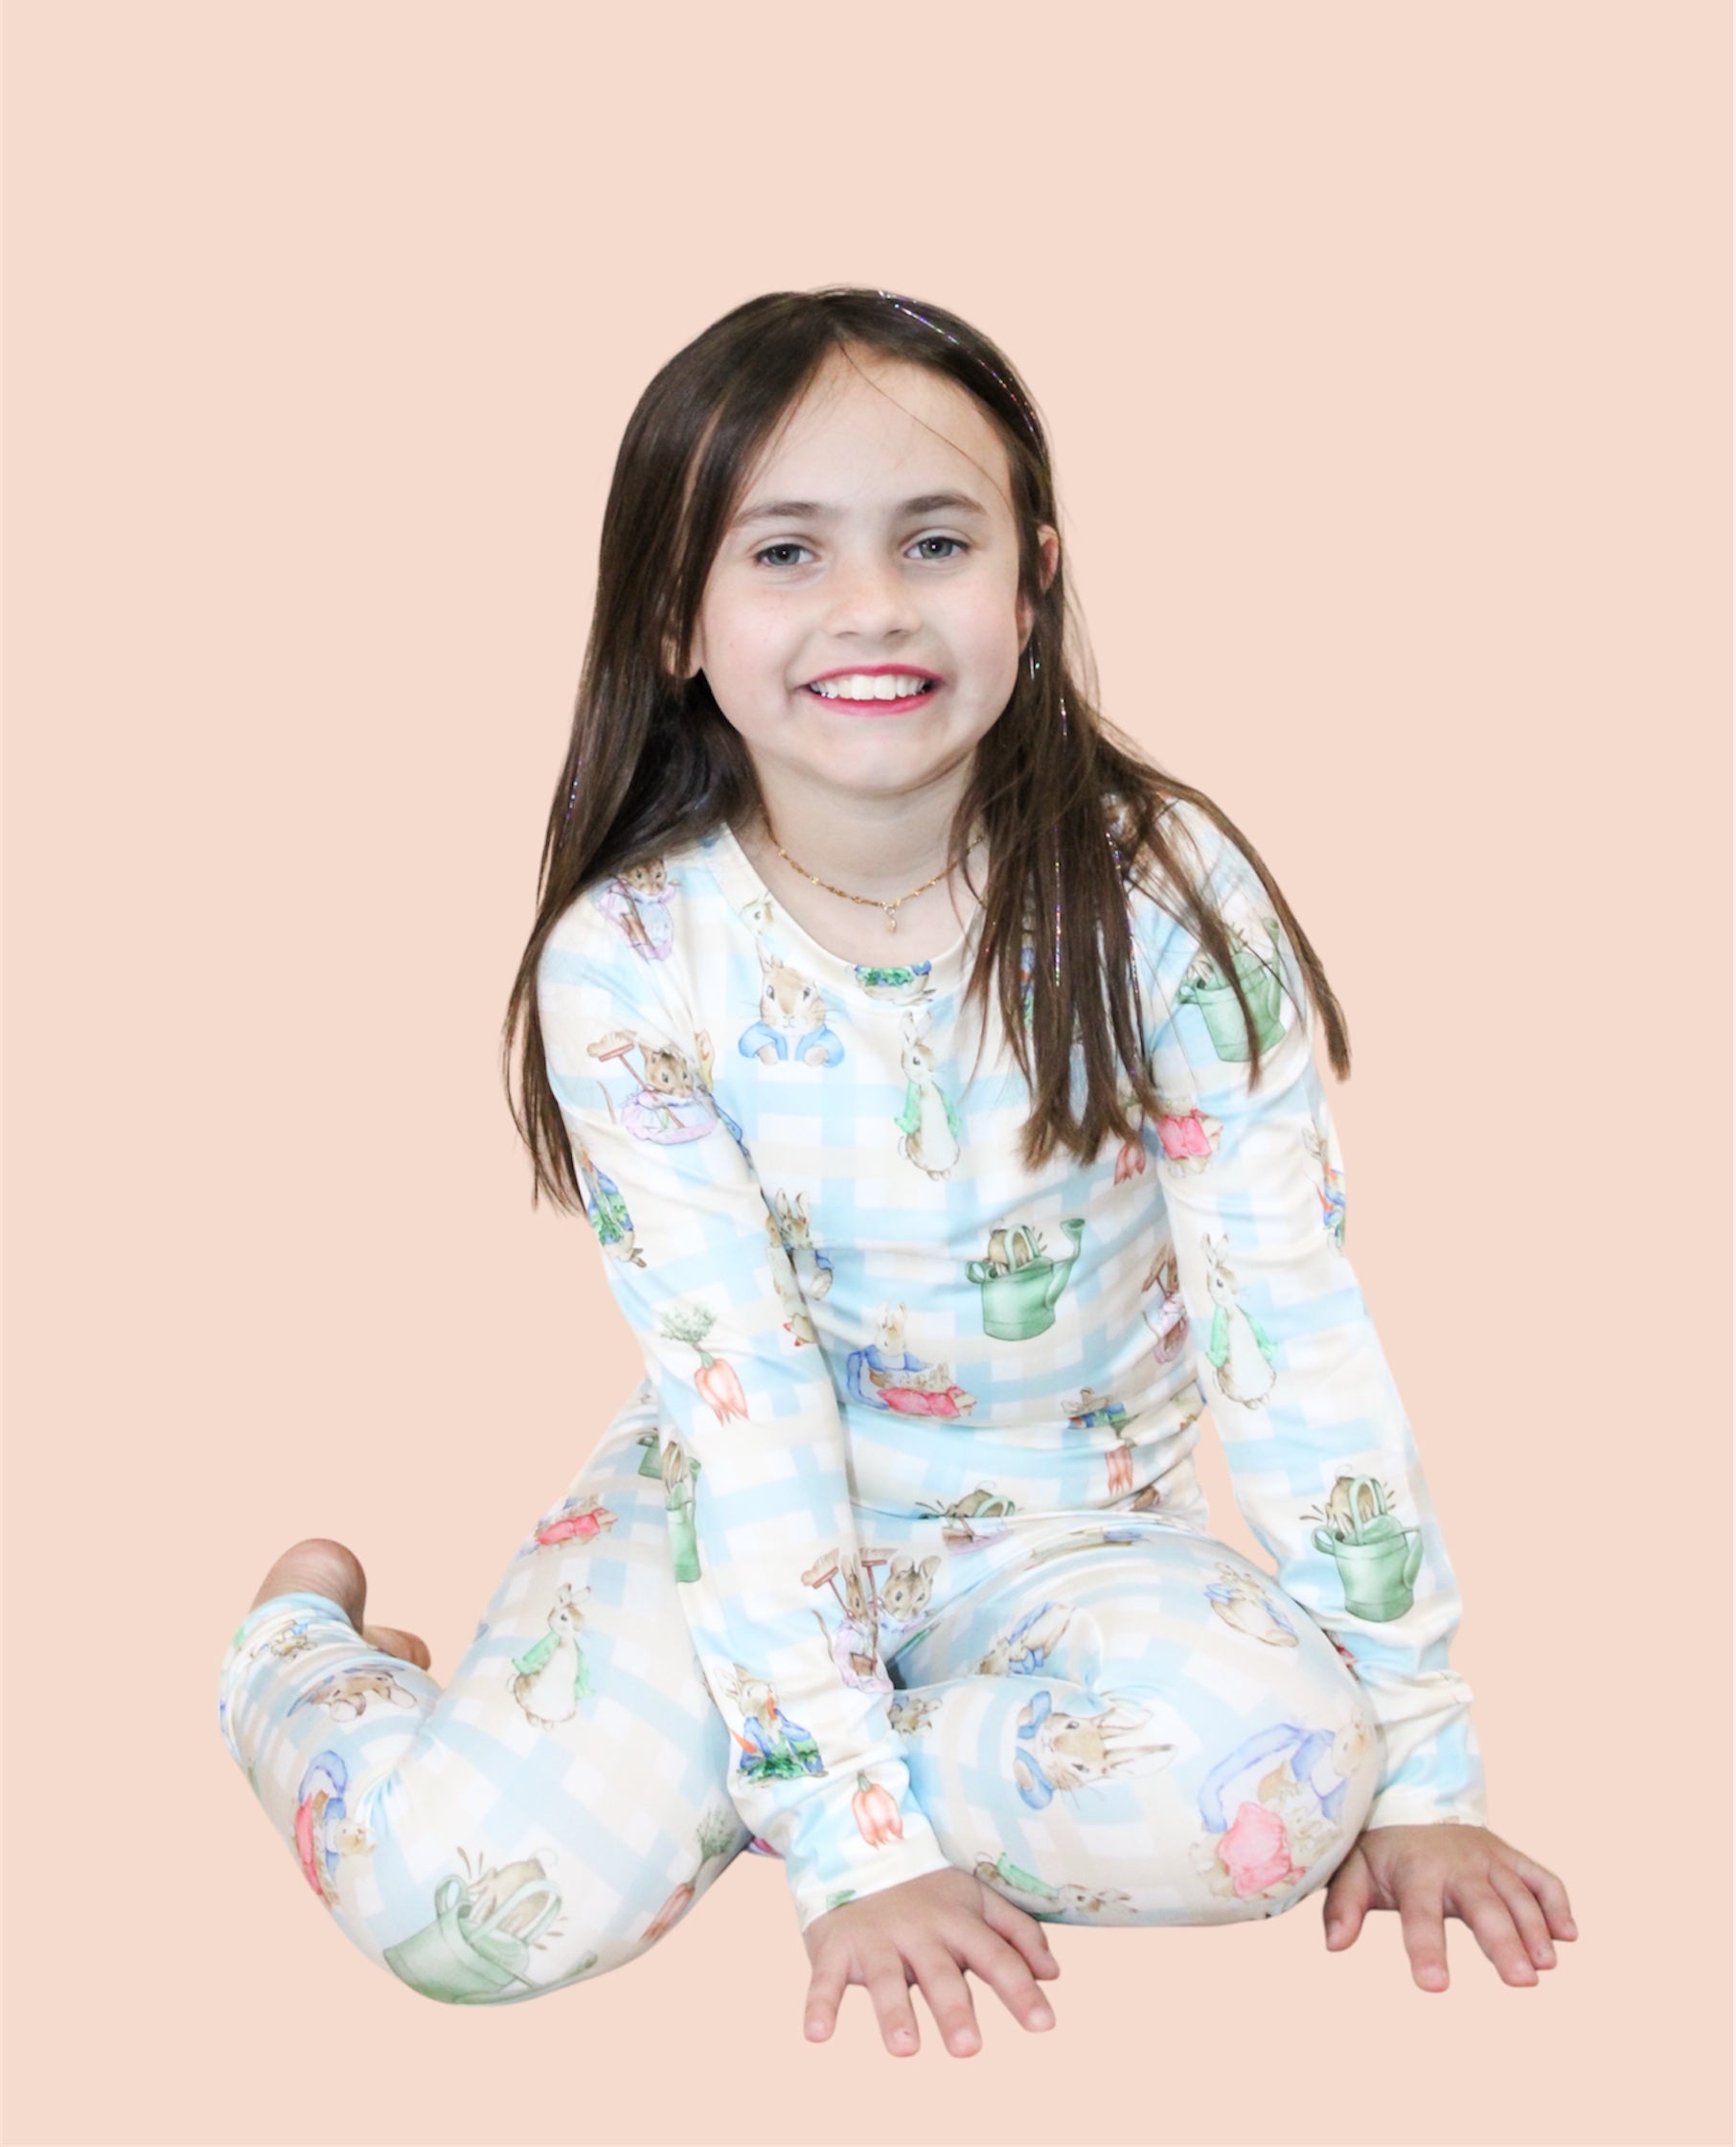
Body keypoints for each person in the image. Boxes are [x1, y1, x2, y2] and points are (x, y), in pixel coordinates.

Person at [217, 286, 1576, 2047]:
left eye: (935, 540)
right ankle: (296, 1661)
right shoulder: (633, 962)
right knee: (468, 1907)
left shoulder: (1158, 899)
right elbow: (747, 1396)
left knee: (1289, 1779)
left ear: (1031, 587)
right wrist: (854, 1840)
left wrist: (1422, 1764)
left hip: (1069, 1532)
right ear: (671, 617)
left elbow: (1289, 1326)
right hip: (740, 1509)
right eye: (785, 552)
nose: (871, 607)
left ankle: (745, 1775)